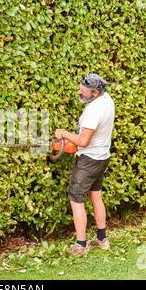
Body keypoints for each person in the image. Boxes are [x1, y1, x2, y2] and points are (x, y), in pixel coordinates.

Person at [54, 72, 115, 255]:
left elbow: (83, 141)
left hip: (89, 160)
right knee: (96, 195)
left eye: (83, 91)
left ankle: (81, 245)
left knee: (76, 198)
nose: (79, 92)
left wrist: (63, 133)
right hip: (102, 156)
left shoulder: (94, 111)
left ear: (95, 93)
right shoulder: (107, 100)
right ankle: (102, 239)